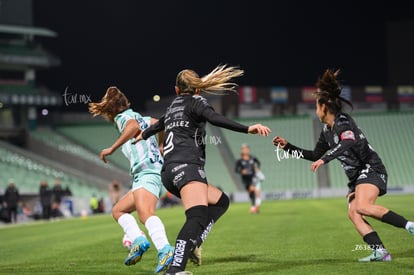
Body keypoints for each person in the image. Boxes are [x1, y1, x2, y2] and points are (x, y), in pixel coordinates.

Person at [135, 65, 271, 275]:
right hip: (187, 167)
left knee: (221, 201)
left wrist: (143, 135)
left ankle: (194, 242)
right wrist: (248, 128)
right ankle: (175, 269)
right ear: (197, 90)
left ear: (177, 90)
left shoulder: (173, 106)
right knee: (196, 217)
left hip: (169, 172)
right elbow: (215, 118)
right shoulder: (197, 102)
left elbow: (159, 124)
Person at [273, 69, 414, 262]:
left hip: (371, 168)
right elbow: (313, 154)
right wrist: (287, 147)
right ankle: (381, 252)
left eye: (316, 106)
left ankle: (409, 226)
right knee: (354, 213)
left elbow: (348, 141)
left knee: (363, 206)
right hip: (357, 178)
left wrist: (325, 159)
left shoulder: (343, 121)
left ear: (323, 106)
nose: (315, 111)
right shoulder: (326, 130)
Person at [89, 86, 174, 273]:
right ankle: (138, 240)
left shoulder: (123, 119)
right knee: (118, 210)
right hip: (148, 173)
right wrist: (160, 144)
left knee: (146, 214)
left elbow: (133, 127)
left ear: (114, 110)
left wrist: (112, 149)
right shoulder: (143, 118)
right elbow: (160, 123)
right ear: (126, 103)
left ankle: (165, 249)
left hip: (147, 172)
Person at [235, 143, 262, 213]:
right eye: (244, 149)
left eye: (246, 149)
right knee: (250, 192)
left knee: (253, 190)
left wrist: (257, 168)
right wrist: (241, 171)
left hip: (253, 177)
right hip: (245, 179)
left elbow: (258, 163)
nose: (245, 150)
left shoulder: (253, 158)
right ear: (242, 150)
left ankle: (254, 207)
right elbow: (236, 170)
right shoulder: (239, 161)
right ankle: (254, 207)